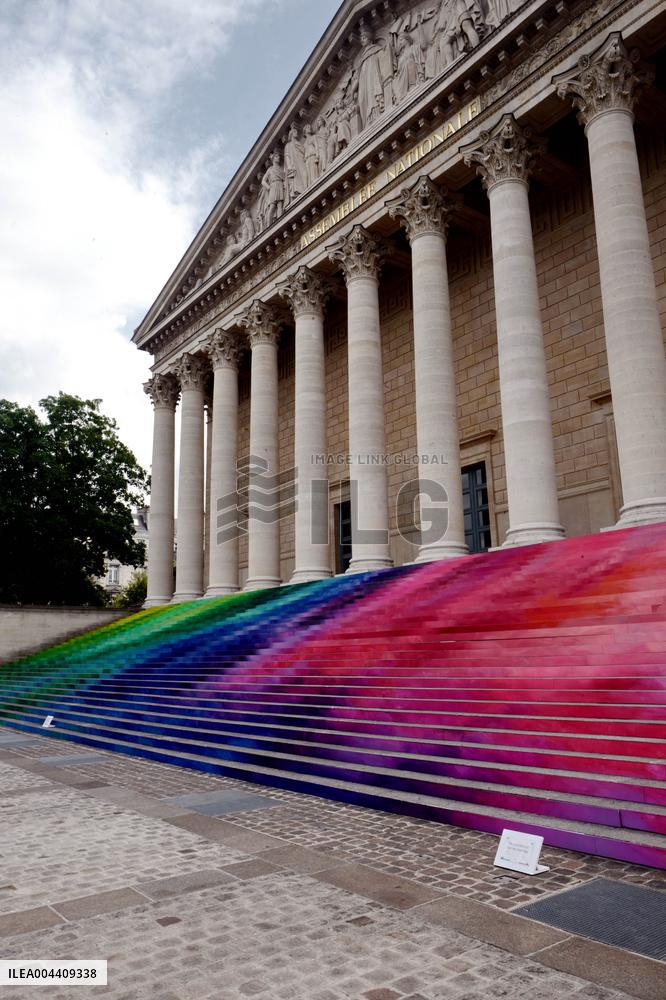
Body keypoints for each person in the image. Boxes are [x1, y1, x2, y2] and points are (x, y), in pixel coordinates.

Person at [354, 30, 385, 128]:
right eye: (361, 38)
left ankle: (376, 114)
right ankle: (368, 120)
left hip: (373, 77)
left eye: (363, 37)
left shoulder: (376, 49)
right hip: (364, 83)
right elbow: (358, 77)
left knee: (372, 94)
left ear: (369, 38)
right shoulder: (362, 59)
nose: (361, 40)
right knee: (363, 98)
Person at [260, 151, 285, 227]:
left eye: (279, 157)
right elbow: (263, 181)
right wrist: (268, 187)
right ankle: (269, 226)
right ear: (273, 159)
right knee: (272, 206)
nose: (279, 158)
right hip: (273, 186)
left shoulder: (281, 168)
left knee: (280, 204)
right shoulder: (270, 169)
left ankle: (280, 220)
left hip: (280, 184)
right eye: (277, 157)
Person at [284, 123, 308, 203]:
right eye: (294, 132)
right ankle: (299, 192)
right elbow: (287, 156)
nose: (296, 133)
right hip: (294, 165)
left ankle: (306, 189)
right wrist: (290, 166)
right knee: (297, 179)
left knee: (305, 174)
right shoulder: (288, 145)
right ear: (291, 134)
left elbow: (304, 151)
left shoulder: (299, 143)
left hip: (302, 161)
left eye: (296, 132)